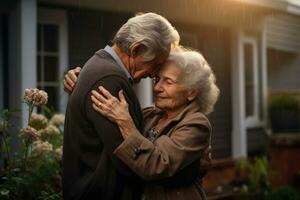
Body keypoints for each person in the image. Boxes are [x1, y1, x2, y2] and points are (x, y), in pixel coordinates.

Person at [64, 46, 219, 199]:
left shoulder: (197, 124)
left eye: (168, 82)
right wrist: (82, 78)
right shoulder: (151, 115)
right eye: (157, 79)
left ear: (191, 92)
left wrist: (126, 123)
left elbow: (156, 165)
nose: (157, 87)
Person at [63, 12, 180, 200]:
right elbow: (130, 163)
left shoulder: (98, 64)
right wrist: (186, 171)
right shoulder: (110, 79)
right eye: (156, 64)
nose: (154, 74)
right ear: (136, 49)